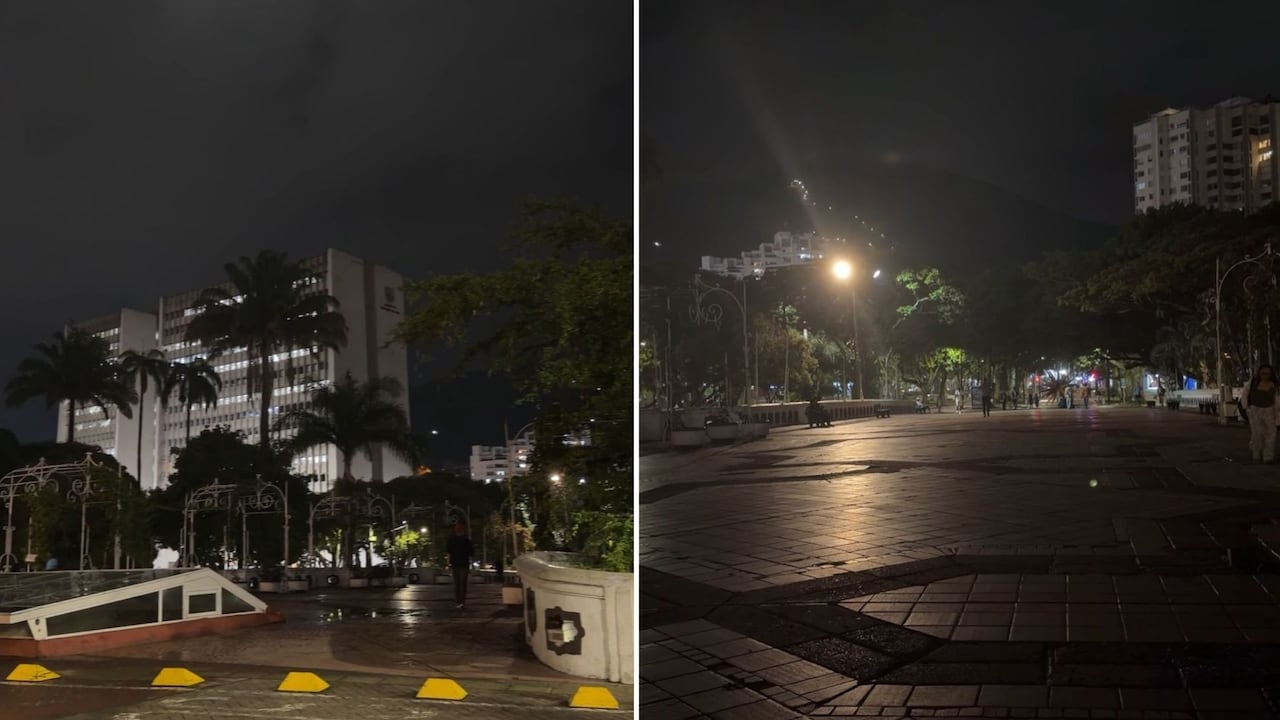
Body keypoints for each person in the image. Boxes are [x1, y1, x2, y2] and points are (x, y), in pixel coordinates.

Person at [1246, 364, 1278, 463]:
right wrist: (1247, 408)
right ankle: (1256, 453)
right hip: (1255, 411)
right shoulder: (1253, 384)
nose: (1265, 375)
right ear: (1259, 373)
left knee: (1271, 435)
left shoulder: (1274, 385)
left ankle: (1268, 456)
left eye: (1267, 373)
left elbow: (1277, 400)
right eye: (1263, 373)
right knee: (1257, 434)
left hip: (1269, 411)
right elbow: (1245, 395)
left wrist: (1277, 414)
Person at [446, 521, 474, 609]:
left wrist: (448, 563)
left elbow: (448, 553)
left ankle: (459, 602)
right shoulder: (465, 540)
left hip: (457, 564)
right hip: (462, 564)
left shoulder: (453, 539)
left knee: (458, 584)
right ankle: (461, 602)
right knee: (461, 584)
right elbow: (471, 553)